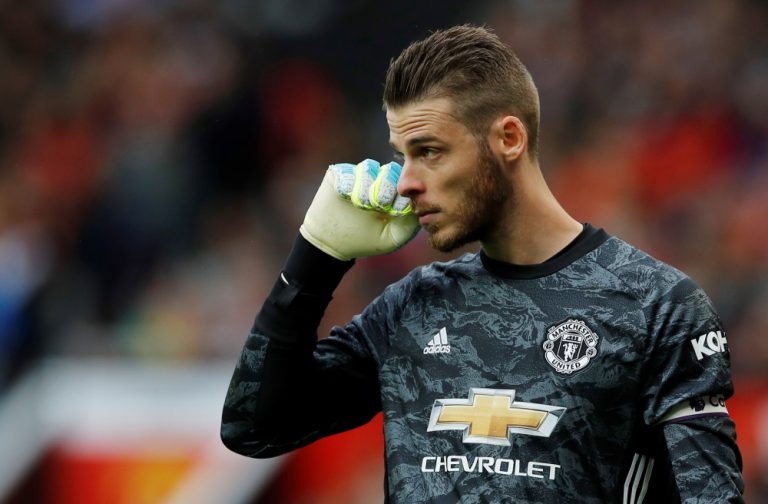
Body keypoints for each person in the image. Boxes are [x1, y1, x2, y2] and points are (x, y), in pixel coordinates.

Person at [221, 25, 744, 503]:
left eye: (429, 151)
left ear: (508, 139)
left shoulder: (657, 307)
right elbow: (253, 427)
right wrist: (316, 255)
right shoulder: (411, 306)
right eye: (402, 155)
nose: (406, 182)